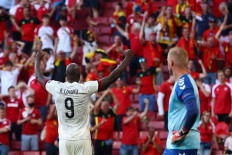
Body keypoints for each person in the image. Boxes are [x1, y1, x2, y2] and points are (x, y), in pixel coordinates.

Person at [34, 48, 134, 154]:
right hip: (82, 139)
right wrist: (127, 58)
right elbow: (112, 77)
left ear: (66, 77)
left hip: (65, 140)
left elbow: (38, 76)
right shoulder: (85, 88)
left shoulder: (57, 87)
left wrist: (37, 59)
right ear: (79, 77)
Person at [164, 47, 200, 154]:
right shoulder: (184, 81)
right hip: (176, 145)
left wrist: (182, 133)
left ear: (171, 62)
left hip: (181, 146)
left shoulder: (183, 83)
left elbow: (193, 110)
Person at [93, 89, 119, 155]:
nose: (106, 107)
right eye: (104, 105)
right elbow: (96, 105)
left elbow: (117, 104)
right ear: (101, 107)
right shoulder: (98, 113)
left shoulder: (111, 112)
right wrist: (103, 95)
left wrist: (112, 94)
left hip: (109, 139)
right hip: (99, 139)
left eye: (107, 105)